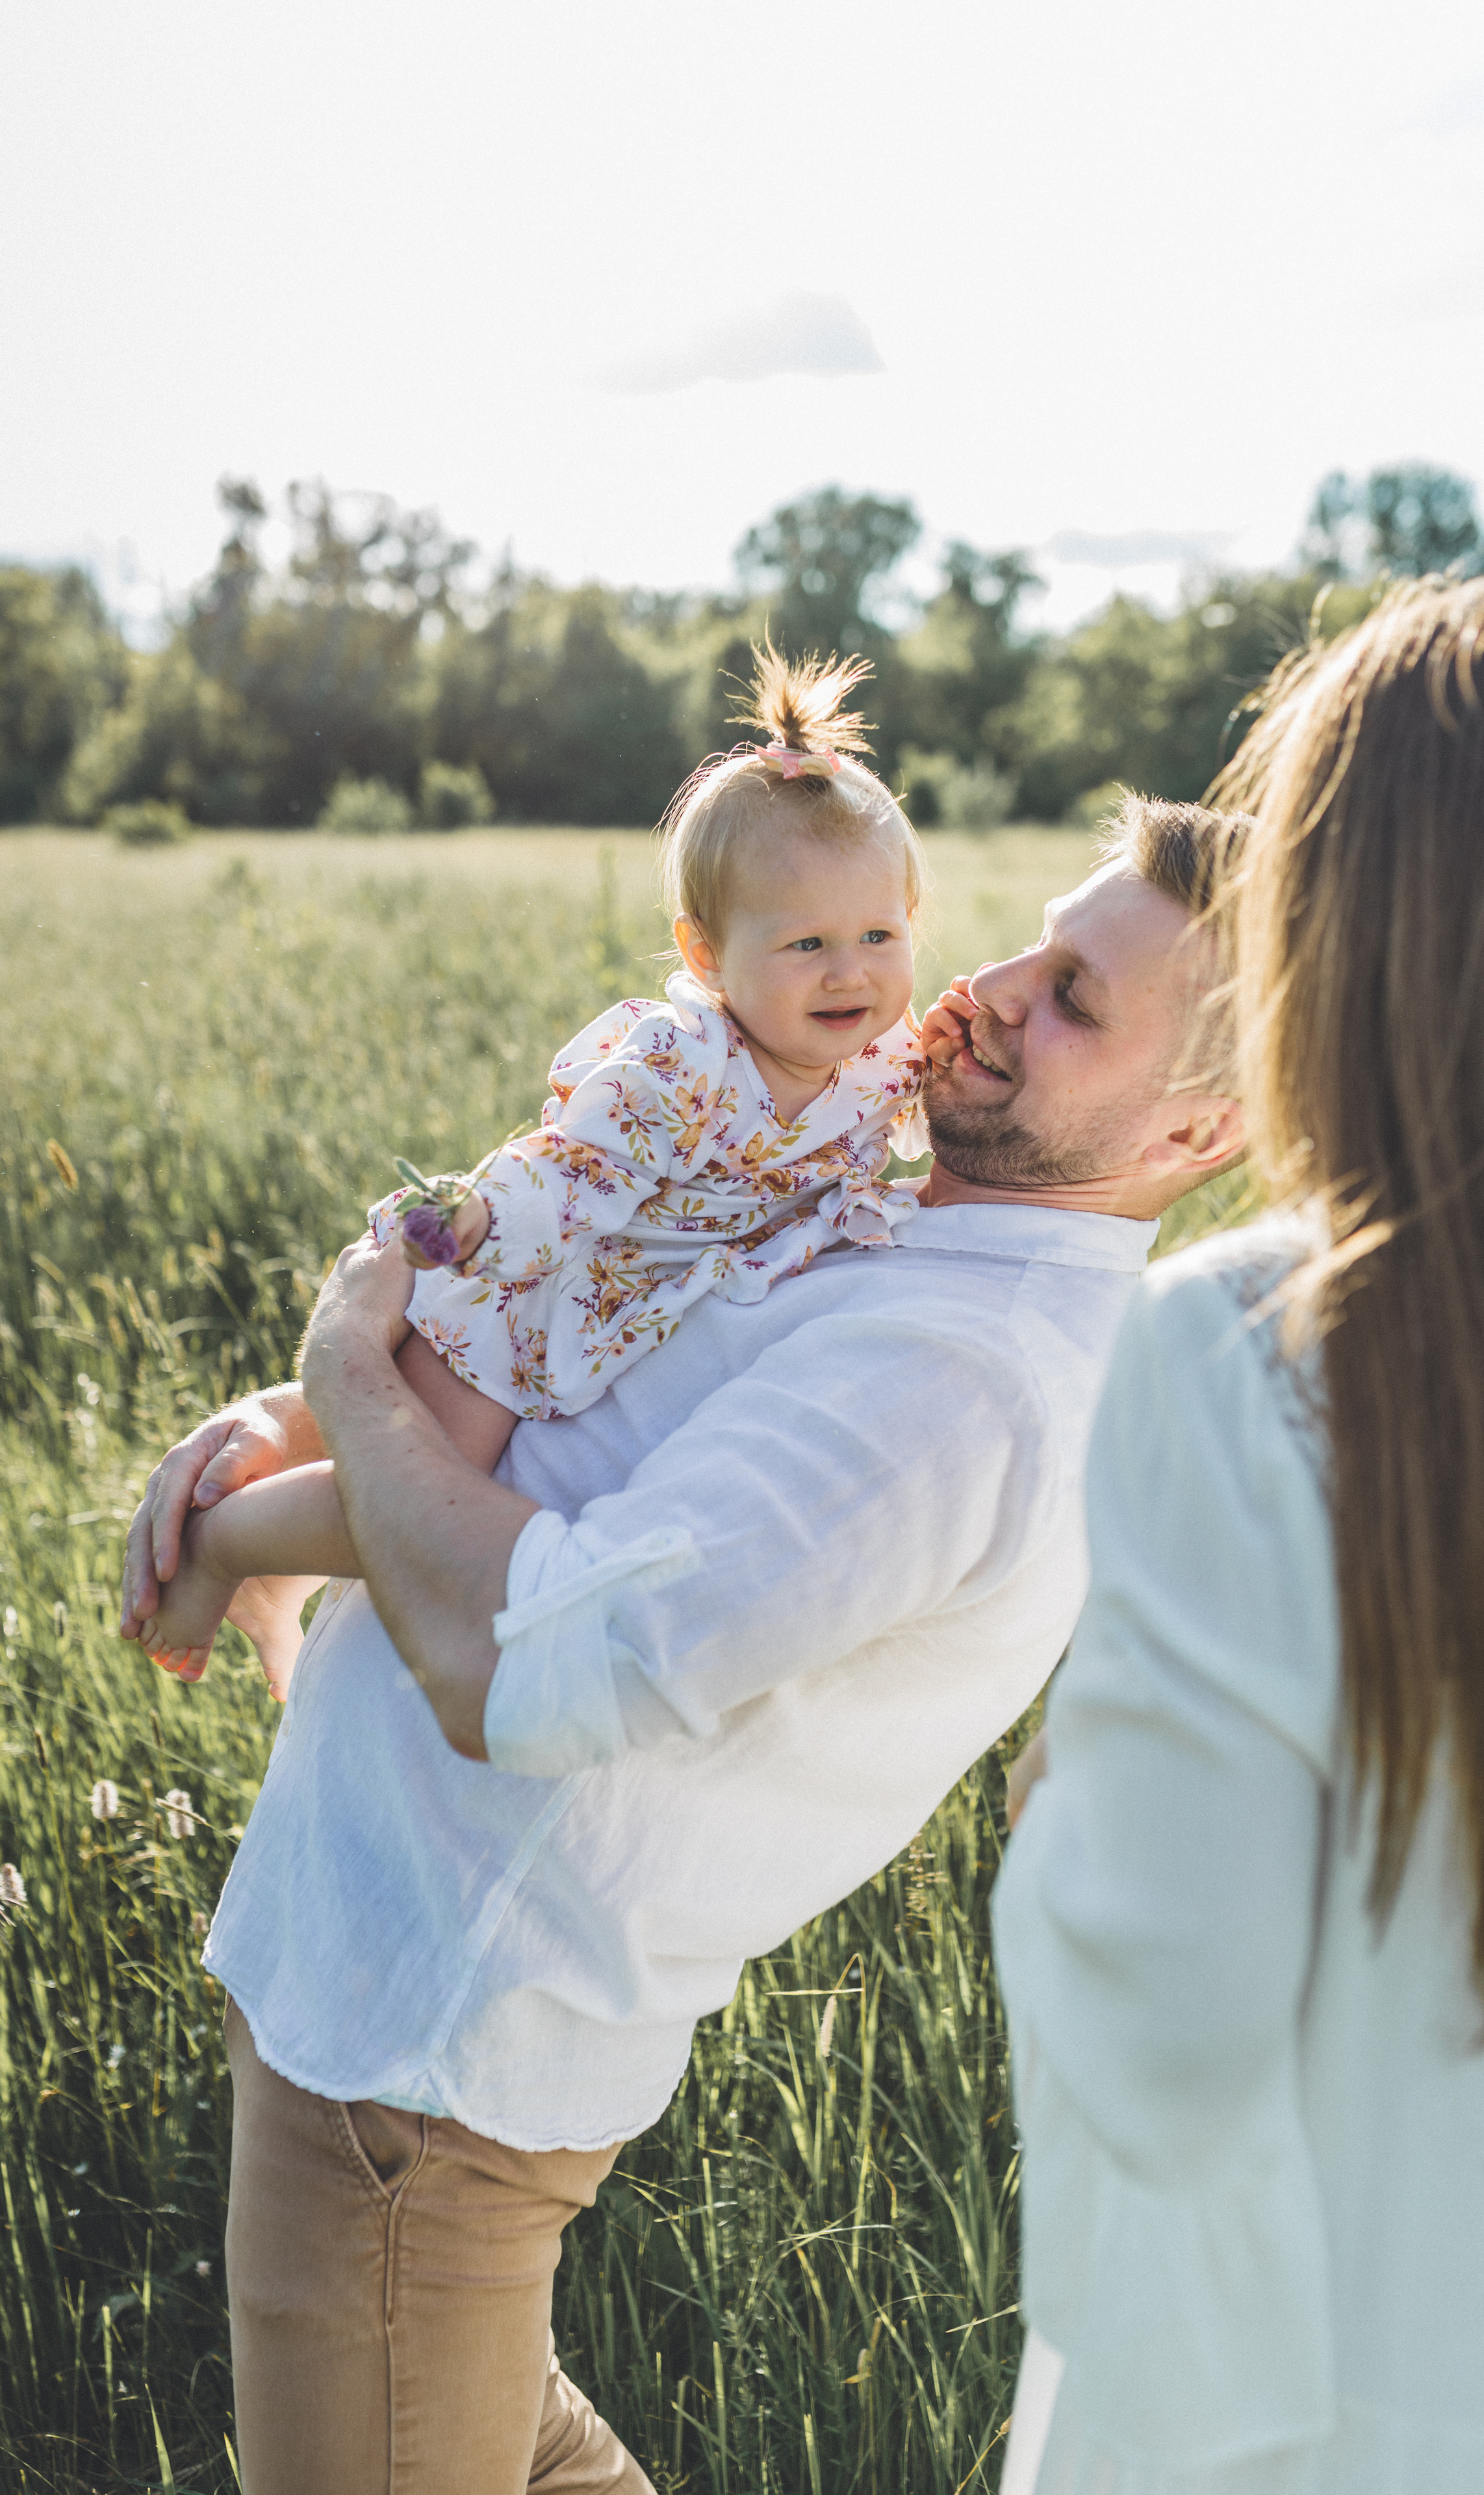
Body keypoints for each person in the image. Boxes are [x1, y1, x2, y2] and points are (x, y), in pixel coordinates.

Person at [121, 797, 1246, 2495]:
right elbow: (570, 1392)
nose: (997, 989)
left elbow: (527, 1655)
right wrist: (289, 1424)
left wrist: (348, 1370)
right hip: (380, 2012)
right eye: (1036, 943)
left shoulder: (966, 1379)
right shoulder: (891, 1217)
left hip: (421, 2068)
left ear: (1198, 1127)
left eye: (1078, 1002)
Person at [993, 573, 1484, 2495]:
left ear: (1361, 949)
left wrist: (1056, 1815)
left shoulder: (1248, 1355)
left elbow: (1168, 2038)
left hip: (1337, 2423)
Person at [133, 648, 929, 1686]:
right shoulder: (680, 1065)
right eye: (807, 945)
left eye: (879, 933)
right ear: (706, 956)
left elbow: (934, 1122)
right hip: (538, 1288)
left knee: (389, 1460)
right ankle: (222, 1550)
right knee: (419, 1483)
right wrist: (480, 1223)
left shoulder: (888, 1054)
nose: (850, 971)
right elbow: (568, 1169)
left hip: (636, 1307)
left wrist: (963, 1058)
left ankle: (265, 1557)